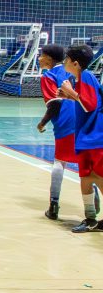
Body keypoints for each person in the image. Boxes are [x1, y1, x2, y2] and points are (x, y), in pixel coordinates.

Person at [57, 44, 103, 232]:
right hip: (86, 138)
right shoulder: (80, 78)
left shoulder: (86, 77)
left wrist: (71, 93)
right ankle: (90, 219)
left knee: (99, 178)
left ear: (75, 63)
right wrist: (70, 96)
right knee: (85, 179)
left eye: (66, 59)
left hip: (95, 138)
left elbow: (90, 106)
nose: (64, 62)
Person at [36, 44, 83, 220]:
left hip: (65, 121)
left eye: (41, 55)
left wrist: (42, 122)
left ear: (49, 58)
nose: (39, 58)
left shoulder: (49, 76)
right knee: (86, 162)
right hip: (82, 118)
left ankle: (53, 205)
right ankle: (94, 201)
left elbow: (55, 104)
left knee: (59, 161)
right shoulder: (71, 71)